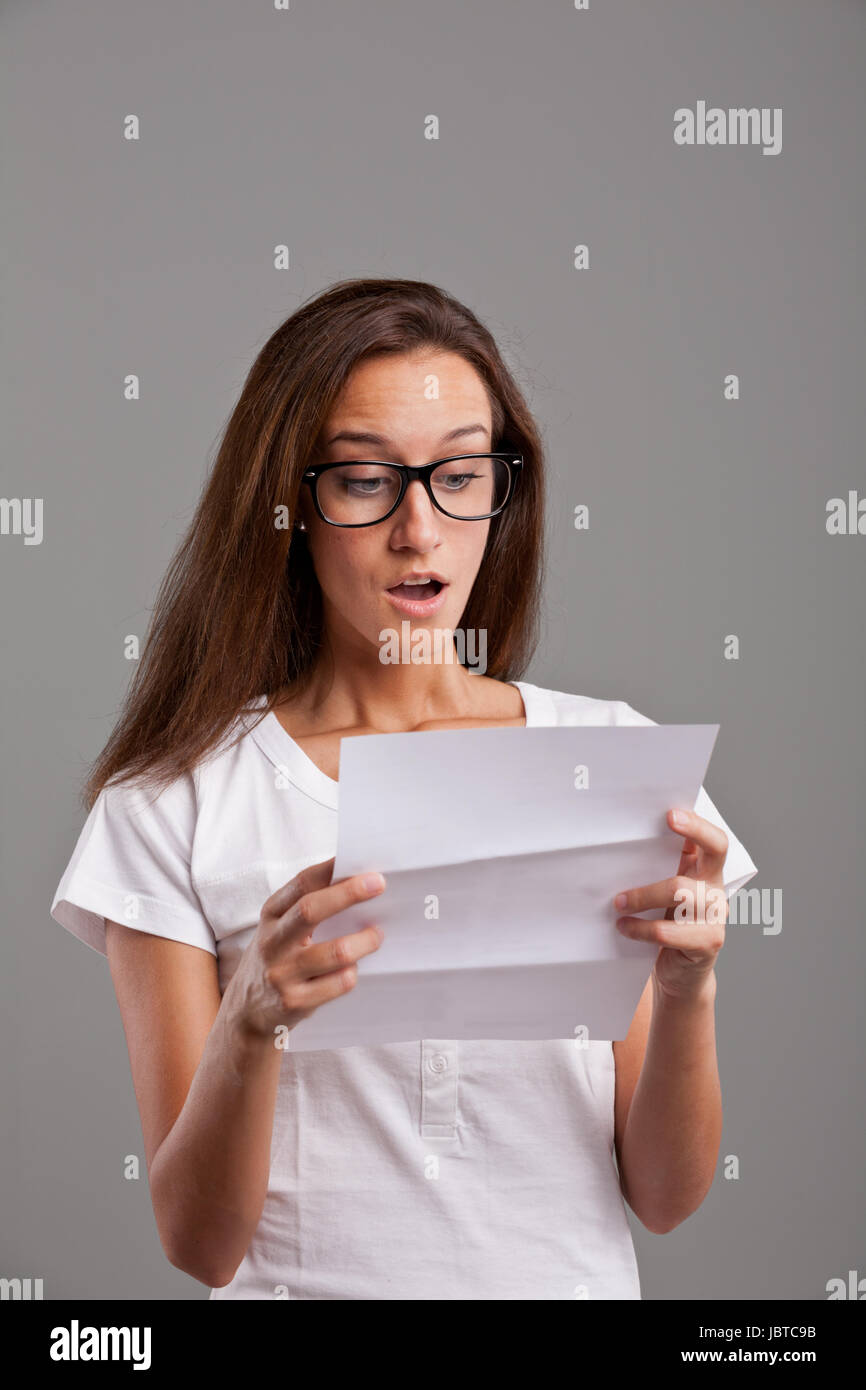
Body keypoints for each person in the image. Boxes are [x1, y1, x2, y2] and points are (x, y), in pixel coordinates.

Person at [51, 277, 757, 1300]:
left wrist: (687, 991)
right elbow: (198, 1244)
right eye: (364, 480)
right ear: (289, 503)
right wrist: (251, 1020)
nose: (420, 529)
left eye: (459, 474)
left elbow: (663, 1194)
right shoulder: (174, 799)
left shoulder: (610, 761)